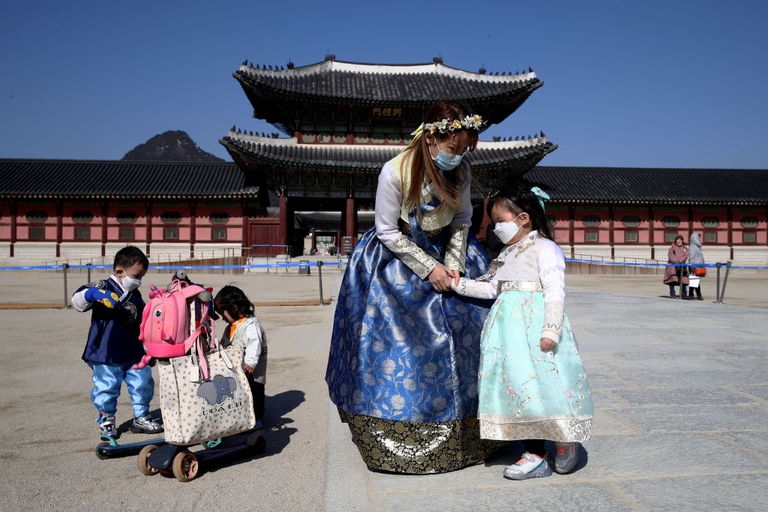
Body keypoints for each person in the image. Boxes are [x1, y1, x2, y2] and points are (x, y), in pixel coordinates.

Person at [326, 100, 500, 474]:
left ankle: (475, 434)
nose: (460, 156)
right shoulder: (395, 171)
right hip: (398, 259)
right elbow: (387, 230)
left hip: (448, 252)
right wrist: (429, 268)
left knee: (472, 333)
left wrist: (452, 267)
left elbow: (465, 218)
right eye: (455, 149)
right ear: (432, 138)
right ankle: (396, 438)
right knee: (396, 347)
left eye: (466, 149)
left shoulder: (462, 169)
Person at [450, 183, 594, 480]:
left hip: (534, 326)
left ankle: (564, 439)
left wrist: (551, 330)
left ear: (523, 218)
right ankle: (535, 452)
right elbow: (491, 288)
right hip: (507, 333)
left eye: (500, 221)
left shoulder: (545, 248)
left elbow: (555, 289)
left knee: (547, 382)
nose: (496, 228)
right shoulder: (507, 253)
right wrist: (457, 283)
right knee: (520, 386)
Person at [72, 245, 163, 437]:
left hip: (133, 348)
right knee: (107, 385)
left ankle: (141, 416)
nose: (138, 281)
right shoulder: (102, 286)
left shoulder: (135, 295)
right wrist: (93, 294)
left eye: (141, 277)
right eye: (136, 276)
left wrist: (149, 346)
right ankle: (107, 419)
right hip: (106, 349)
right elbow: (77, 301)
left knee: (143, 382)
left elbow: (143, 320)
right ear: (119, 271)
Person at [215, 285, 268, 424]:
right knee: (242, 394)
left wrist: (250, 362)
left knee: (254, 392)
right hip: (238, 370)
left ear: (234, 308)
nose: (223, 319)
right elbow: (225, 343)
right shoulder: (232, 326)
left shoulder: (251, 325)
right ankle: (243, 417)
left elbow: (254, 343)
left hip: (251, 371)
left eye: (223, 315)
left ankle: (257, 418)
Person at [663, 235, 690, 299]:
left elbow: (685, 256)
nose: (679, 241)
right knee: (672, 279)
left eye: (680, 239)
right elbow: (671, 257)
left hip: (682, 265)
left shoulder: (685, 249)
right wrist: (676, 262)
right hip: (672, 266)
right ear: (675, 241)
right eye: (678, 239)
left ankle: (684, 294)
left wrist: (680, 261)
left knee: (684, 280)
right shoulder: (672, 248)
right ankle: (672, 293)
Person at [687, 232, 705, 300]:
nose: (700, 239)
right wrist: (692, 267)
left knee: (696, 281)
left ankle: (694, 294)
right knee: (694, 281)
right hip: (694, 267)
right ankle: (696, 294)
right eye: (698, 238)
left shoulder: (697, 247)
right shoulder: (692, 247)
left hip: (699, 267)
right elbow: (692, 257)